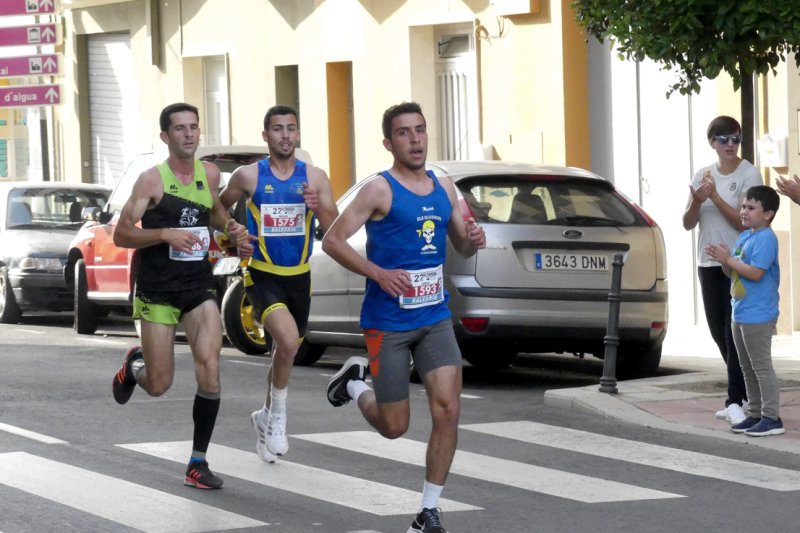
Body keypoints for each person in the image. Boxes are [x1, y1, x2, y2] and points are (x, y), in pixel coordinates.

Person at [322, 102, 486, 533]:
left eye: (420, 130)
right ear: (388, 142)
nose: (415, 140)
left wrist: (474, 239)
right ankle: (354, 384)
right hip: (387, 321)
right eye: (404, 133)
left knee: (448, 410)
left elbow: (462, 246)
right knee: (395, 427)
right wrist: (377, 273)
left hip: (433, 314)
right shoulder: (379, 189)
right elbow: (332, 240)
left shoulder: (443, 187)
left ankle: (428, 511)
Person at [111, 102, 250, 489]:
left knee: (210, 366)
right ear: (165, 137)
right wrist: (163, 234)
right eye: (180, 128)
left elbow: (215, 214)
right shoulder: (150, 181)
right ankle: (133, 366)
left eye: (193, 127)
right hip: (157, 290)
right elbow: (121, 234)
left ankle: (197, 462)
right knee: (159, 384)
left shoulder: (209, 175)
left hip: (197, 285)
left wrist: (232, 228)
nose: (189, 134)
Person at [219, 104, 338, 463]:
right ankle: (280, 417)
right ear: (265, 136)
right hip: (261, 272)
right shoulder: (248, 176)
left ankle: (265, 416)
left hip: (299, 276)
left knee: (285, 351)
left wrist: (319, 207)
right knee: (287, 341)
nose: (285, 135)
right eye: (277, 129)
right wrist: (233, 233)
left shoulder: (315, 178)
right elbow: (218, 211)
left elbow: (335, 228)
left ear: (298, 134)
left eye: (291, 128)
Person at [682, 116, 762, 425]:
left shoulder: (748, 173)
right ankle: (744, 395)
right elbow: (688, 222)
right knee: (719, 331)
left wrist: (715, 196)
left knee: (733, 332)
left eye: (736, 139)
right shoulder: (703, 174)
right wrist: (697, 201)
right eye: (723, 139)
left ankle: (734, 399)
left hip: (736, 262)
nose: (730, 145)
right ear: (712, 142)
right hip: (708, 261)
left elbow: (743, 221)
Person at [705, 185, 784, 436]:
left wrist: (730, 260)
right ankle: (755, 413)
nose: (744, 211)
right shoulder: (744, 237)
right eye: (743, 207)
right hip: (740, 311)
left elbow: (756, 273)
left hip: (758, 314)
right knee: (745, 366)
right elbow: (735, 272)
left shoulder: (766, 239)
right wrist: (725, 260)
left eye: (751, 208)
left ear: (768, 214)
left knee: (761, 365)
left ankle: (771, 417)